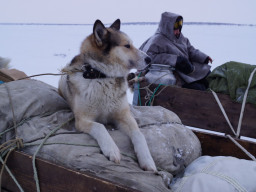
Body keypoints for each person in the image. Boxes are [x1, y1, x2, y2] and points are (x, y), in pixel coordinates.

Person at [140, 12, 213, 90]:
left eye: (179, 29)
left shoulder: (180, 37)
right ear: (167, 27)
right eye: (175, 29)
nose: (178, 32)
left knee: (208, 76)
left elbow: (190, 49)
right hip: (174, 75)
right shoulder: (157, 40)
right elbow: (149, 57)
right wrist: (175, 60)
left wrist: (204, 57)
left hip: (187, 70)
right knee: (199, 88)